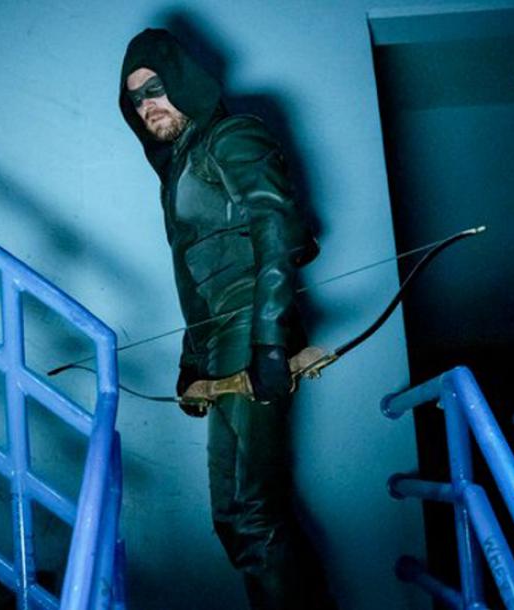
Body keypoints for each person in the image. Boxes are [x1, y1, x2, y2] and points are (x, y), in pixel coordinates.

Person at [119, 29, 330, 610]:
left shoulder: (232, 135)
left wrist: (269, 343)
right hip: (220, 341)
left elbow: (275, 225)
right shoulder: (178, 171)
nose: (147, 106)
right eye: (135, 99)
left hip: (252, 324)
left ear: (184, 82)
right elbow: (197, 278)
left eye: (156, 89)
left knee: (253, 514)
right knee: (236, 518)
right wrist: (192, 366)